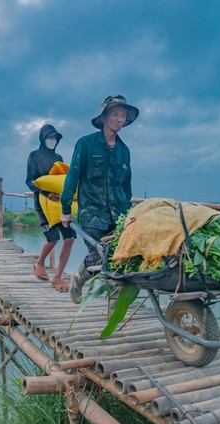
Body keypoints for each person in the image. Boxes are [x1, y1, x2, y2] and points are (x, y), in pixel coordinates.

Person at [60, 94, 139, 303]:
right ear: (104, 117)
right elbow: (72, 177)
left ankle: (113, 308)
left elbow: (126, 185)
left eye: (123, 115)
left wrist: (129, 214)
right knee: (97, 257)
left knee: (117, 260)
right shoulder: (86, 144)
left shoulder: (124, 151)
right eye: (115, 114)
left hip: (118, 214)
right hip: (92, 214)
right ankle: (77, 279)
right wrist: (65, 209)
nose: (119, 119)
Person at [26, 123, 76, 292]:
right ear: (42, 138)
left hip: (60, 205)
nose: (52, 141)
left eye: (55, 138)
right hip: (42, 203)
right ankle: (39, 263)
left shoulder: (59, 158)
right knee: (52, 238)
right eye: (49, 138)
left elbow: (63, 180)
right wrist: (46, 194)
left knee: (69, 238)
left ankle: (57, 278)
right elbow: (29, 181)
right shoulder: (33, 156)